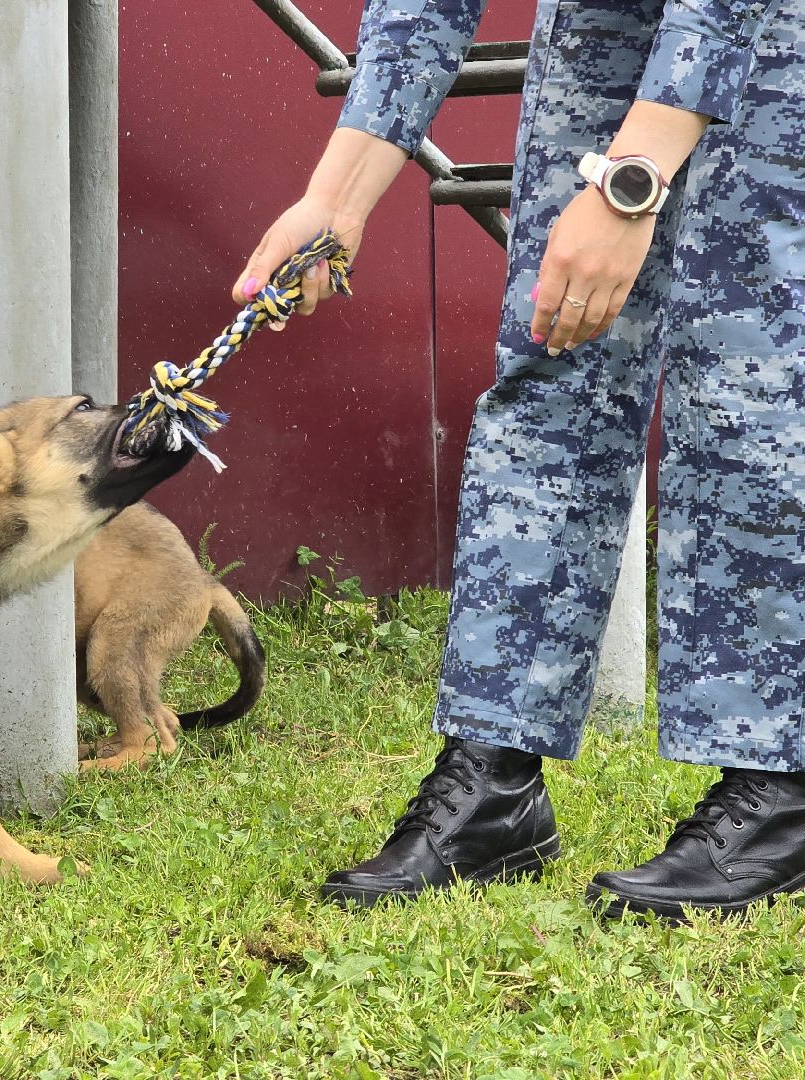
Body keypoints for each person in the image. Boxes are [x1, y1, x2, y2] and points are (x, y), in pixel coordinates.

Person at [236, 0, 804, 918]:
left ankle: (782, 783)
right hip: (598, 24)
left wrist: (633, 178)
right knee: (548, 376)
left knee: (751, 389)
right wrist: (334, 199)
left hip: (768, 27)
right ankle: (494, 781)